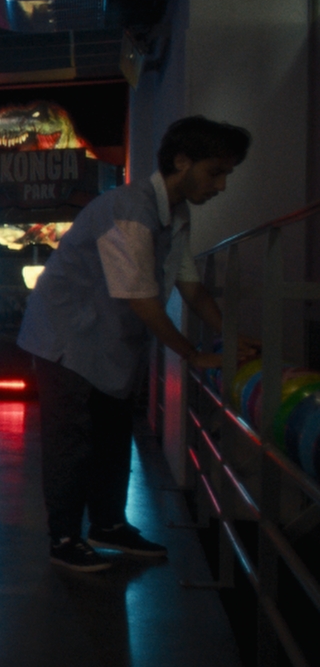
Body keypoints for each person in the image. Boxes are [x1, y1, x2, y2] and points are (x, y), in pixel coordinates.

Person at [19, 116, 252, 572]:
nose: (221, 186)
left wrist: (230, 338)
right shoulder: (129, 209)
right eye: (215, 172)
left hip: (106, 341)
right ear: (181, 162)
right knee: (71, 443)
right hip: (65, 339)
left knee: (111, 436)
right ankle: (63, 538)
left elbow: (190, 286)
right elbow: (142, 300)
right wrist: (193, 354)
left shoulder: (176, 213)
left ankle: (107, 525)